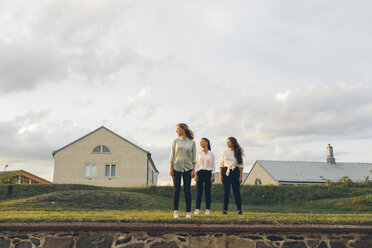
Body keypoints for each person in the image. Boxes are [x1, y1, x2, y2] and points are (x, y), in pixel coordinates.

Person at [169, 123, 196, 218]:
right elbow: (172, 155)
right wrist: (170, 168)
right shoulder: (175, 141)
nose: (177, 131)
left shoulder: (192, 142)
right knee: (176, 190)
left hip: (188, 168)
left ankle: (188, 212)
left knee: (187, 189)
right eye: (176, 130)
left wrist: (193, 170)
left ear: (184, 129)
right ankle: (175, 211)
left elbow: (193, 157)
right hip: (176, 167)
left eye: (178, 129)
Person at [219, 137, 244, 215]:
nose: (227, 143)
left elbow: (241, 166)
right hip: (226, 172)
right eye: (227, 142)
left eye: (229, 142)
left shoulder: (238, 152)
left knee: (236, 192)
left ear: (233, 143)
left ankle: (239, 209)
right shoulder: (224, 152)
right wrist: (220, 175)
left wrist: (240, 176)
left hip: (235, 172)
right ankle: (225, 210)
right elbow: (221, 164)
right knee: (226, 192)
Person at [194, 138, 215, 215]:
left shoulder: (211, 154)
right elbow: (196, 165)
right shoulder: (198, 153)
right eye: (200, 142)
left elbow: (213, 165)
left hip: (208, 173)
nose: (201, 143)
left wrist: (212, 176)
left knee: (207, 192)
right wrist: (195, 175)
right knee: (199, 191)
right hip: (200, 172)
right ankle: (197, 209)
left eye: (202, 141)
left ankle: (207, 209)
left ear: (206, 142)